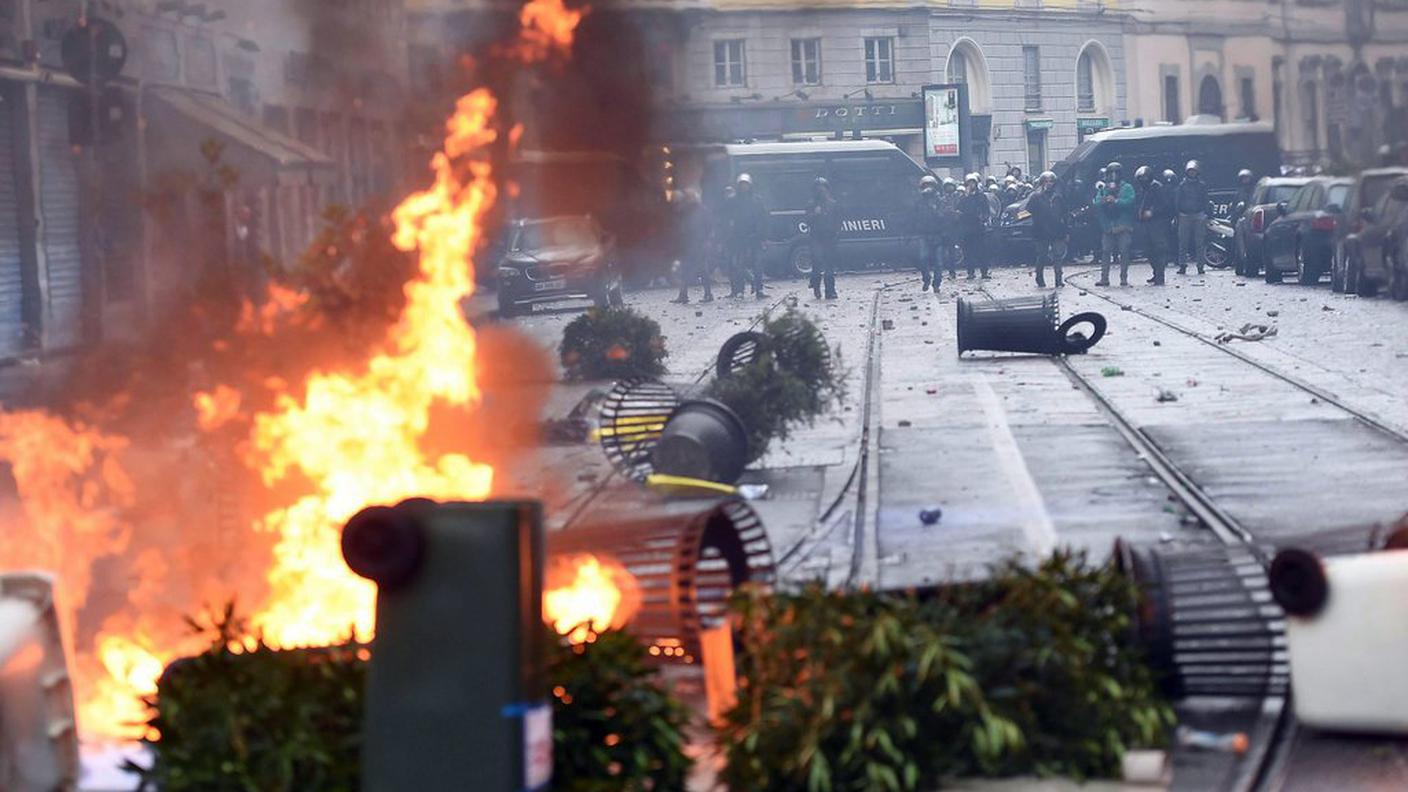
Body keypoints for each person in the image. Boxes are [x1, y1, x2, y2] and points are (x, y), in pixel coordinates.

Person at [1092, 161, 1136, 286]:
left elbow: (1130, 202)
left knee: (1124, 251)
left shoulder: (1127, 187)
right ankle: (1104, 278)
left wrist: (1116, 201)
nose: (1113, 176)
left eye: (1116, 173)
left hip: (1123, 225)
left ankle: (1123, 277)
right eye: (1111, 173)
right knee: (1105, 251)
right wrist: (1105, 200)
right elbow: (1097, 202)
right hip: (1108, 225)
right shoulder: (1104, 188)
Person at [729, 173, 769, 298]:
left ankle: (759, 289)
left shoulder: (757, 200)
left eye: (746, 185)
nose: (744, 187)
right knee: (740, 265)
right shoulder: (734, 201)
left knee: (758, 265)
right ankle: (740, 290)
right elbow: (730, 218)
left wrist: (763, 237)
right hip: (740, 237)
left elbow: (763, 219)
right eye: (741, 185)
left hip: (756, 237)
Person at [671, 190, 713, 304]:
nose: (689, 200)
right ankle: (683, 295)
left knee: (703, 269)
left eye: (691, 198)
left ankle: (708, 294)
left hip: (700, 244)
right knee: (684, 269)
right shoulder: (685, 211)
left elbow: (710, 227)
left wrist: (708, 241)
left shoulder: (703, 211)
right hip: (687, 245)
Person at [1028, 171, 1067, 288]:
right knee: (1042, 255)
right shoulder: (1036, 197)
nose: (1049, 184)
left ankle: (1058, 280)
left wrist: (1065, 230)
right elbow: (1028, 210)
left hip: (1056, 229)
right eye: (1046, 181)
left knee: (1058, 256)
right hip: (1041, 230)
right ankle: (1039, 277)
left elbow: (1064, 214)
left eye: (1051, 181)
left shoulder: (1058, 197)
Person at [1135, 166, 1172, 286]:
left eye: (1145, 177)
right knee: (1148, 250)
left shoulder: (1158, 188)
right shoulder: (1143, 190)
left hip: (1158, 223)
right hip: (1146, 224)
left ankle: (1160, 276)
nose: (1143, 180)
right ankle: (1156, 273)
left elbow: (1166, 206)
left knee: (1159, 249)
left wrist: (1152, 212)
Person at [910, 175, 946, 292]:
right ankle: (926, 279)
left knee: (939, 262)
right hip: (924, 234)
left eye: (930, 186)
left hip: (937, 234)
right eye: (926, 186)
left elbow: (942, 216)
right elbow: (914, 217)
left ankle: (937, 284)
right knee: (923, 258)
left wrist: (933, 208)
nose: (928, 188)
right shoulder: (919, 202)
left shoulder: (939, 201)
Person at [806, 177, 840, 299]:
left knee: (829, 266)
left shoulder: (833, 204)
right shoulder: (811, 204)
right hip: (816, 237)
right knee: (817, 263)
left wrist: (836, 234)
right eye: (818, 189)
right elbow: (807, 221)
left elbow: (837, 221)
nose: (821, 192)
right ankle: (816, 286)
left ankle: (830, 290)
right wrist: (815, 214)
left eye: (823, 189)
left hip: (829, 237)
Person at [1174, 160, 1209, 275]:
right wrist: (1178, 213)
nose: (1192, 173)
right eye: (1190, 172)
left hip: (1199, 215)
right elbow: (1177, 201)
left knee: (1200, 242)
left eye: (1194, 171)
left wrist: (1205, 214)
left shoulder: (1202, 185)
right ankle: (1182, 265)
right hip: (1184, 215)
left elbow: (1205, 200)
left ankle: (1200, 266)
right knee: (1183, 242)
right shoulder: (1182, 185)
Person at [958, 173, 991, 279]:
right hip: (967, 228)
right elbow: (959, 210)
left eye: (973, 183)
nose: (971, 185)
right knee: (968, 252)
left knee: (982, 251)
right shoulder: (963, 197)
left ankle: (984, 272)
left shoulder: (981, 196)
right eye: (969, 183)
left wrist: (984, 218)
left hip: (979, 227)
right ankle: (970, 272)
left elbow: (986, 210)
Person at [939, 178, 962, 279]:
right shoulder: (942, 199)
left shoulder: (959, 198)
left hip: (958, 226)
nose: (949, 188)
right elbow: (940, 212)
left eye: (951, 186)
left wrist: (957, 213)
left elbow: (963, 209)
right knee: (949, 250)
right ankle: (951, 271)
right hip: (947, 227)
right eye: (947, 186)